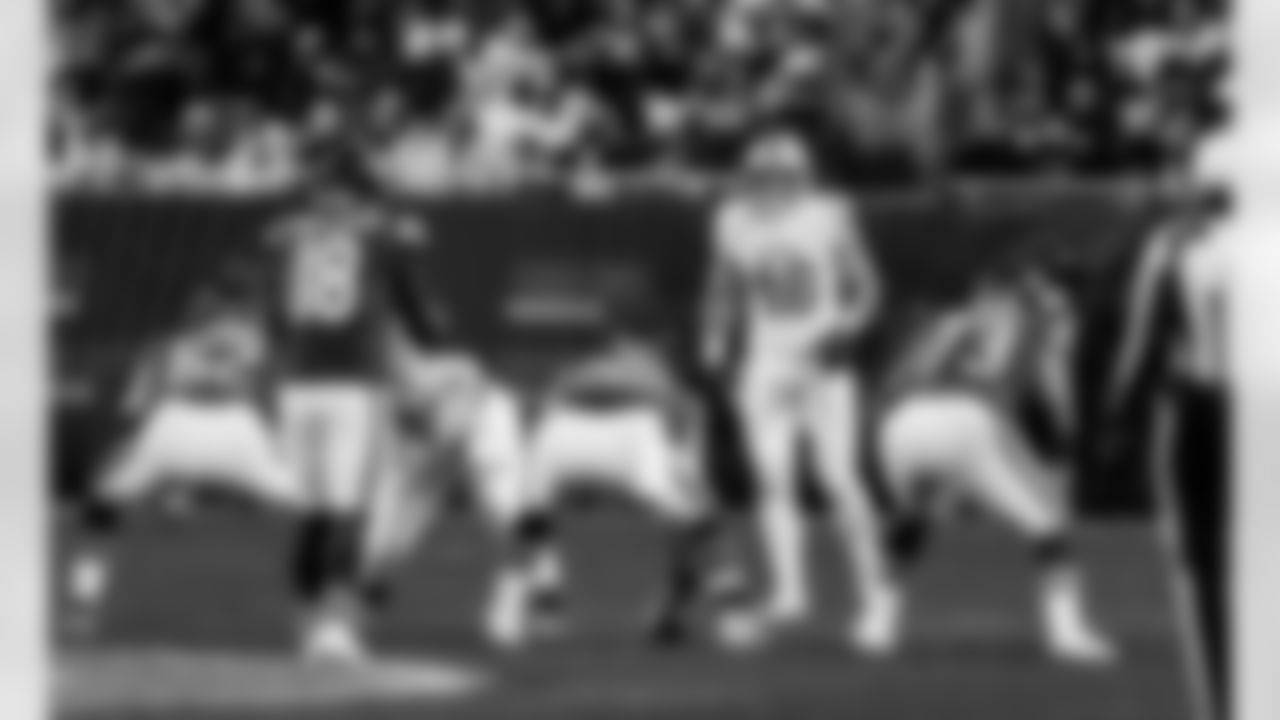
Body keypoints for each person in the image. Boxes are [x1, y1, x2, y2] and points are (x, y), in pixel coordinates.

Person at [702, 129, 897, 653]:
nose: (768, 187)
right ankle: (790, 592)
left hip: (821, 358)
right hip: (765, 360)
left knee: (838, 477)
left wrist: (848, 328)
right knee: (771, 476)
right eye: (760, 177)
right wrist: (715, 344)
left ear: (801, 177)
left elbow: (869, 289)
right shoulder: (731, 221)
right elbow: (722, 291)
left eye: (779, 177)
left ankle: (877, 598)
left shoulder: (830, 214)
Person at [869, 261, 1117, 665]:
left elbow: (898, 379)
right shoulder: (1042, 322)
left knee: (912, 520)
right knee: (1049, 527)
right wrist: (1068, 439)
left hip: (902, 421)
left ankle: (877, 624)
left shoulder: (950, 320)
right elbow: (1055, 395)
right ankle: (1068, 635)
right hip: (970, 420)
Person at [261, 152, 442, 663]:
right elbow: (415, 310)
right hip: (353, 382)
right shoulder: (382, 238)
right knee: (346, 509)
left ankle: (305, 619)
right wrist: (433, 342)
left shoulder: (284, 239)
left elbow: (274, 316)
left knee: (311, 510)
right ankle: (335, 625)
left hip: (297, 381)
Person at [64, 288, 287, 635]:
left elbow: (135, 411)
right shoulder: (255, 340)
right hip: (237, 426)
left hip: (175, 423)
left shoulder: (165, 347)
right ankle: (334, 614)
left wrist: (122, 455)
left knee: (101, 510)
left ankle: (82, 606)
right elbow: (272, 399)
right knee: (323, 510)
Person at [1107, 135, 1230, 717]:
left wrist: (1118, 411)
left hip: (1202, 409)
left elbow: (1138, 340)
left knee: (1197, 565)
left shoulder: (1173, 245)